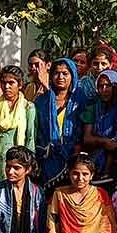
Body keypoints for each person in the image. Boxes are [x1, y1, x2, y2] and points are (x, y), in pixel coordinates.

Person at [35, 58, 86, 191]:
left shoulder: (80, 100)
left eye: (65, 73)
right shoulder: (41, 101)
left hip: (72, 155)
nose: (60, 77)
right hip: (46, 156)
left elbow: (83, 128)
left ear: (72, 75)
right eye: (56, 73)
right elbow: (37, 129)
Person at [0, 66, 36, 190]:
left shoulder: (28, 108)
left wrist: (28, 165)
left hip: (18, 164)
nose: (6, 86)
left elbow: (30, 138)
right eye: (4, 83)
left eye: (11, 83)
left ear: (20, 85)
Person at [82, 69, 117, 193]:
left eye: (108, 86)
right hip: (96, 161)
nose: (104, 90)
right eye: (101, 86)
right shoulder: (93, 108)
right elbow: (87, 138)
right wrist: (105, 141)